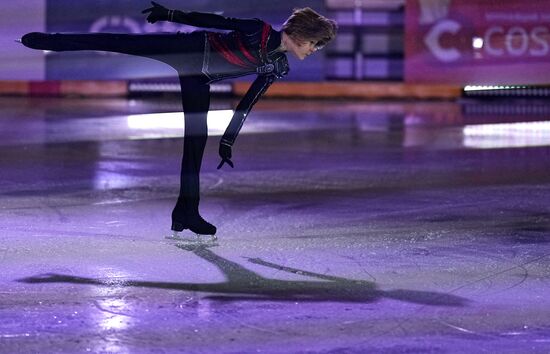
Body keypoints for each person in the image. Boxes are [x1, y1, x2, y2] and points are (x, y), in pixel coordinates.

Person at [21, 1, 338, 238]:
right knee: (121, 42)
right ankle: (51, 40)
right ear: (299, 34)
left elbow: (247, 102)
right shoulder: (260, 30)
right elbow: (215, 21)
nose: (313, 50)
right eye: (314, 43)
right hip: (186, 48)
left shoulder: (278, 66)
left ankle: (185, 213)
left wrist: (227, 141)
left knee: (195, 147)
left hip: (199, 79)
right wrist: (170, 15)